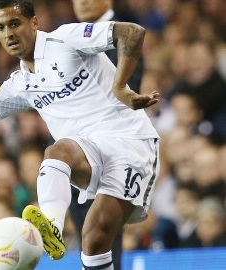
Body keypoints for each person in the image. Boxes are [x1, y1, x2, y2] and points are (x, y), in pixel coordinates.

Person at [0, 0, 160, 269]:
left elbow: (132, 32)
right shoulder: (21, 84)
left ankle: (52, 227)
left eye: (15, 23)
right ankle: (52, 230)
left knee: (95, 236)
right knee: (57, 153)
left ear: (34, 23)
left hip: (130, 142)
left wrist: (120, 86)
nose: (8, 33)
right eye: (0, 28)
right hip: (87, 151)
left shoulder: (65, 39)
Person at [70, 0, 144, 268]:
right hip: (79, 150)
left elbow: (126, 92)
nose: (82, 2)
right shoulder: (70, 39)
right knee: (88, 237)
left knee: (103, 236)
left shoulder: (124, 34)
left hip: (109, 151)